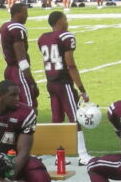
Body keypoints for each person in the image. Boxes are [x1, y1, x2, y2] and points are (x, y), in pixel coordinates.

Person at [38, 10, 90, 163]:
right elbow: (70, 65)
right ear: (60, 21)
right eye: (65, 19)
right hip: (63, 82)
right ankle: (83, 155)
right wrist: (81, 89)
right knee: (75, 118)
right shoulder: (66, 37)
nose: (67, 22)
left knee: (57, 118)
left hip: (51, 82)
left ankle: (58, 155)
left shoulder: (43, 38)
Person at [0, 2, 38, 109]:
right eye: (25, 13)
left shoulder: (5, 26)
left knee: (13, 107)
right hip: (19, 71)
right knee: (29, 107)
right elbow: (21, 59)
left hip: (9, 70)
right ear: (17, 13)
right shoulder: (17, 28)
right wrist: (32, 82)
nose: (27, 16)